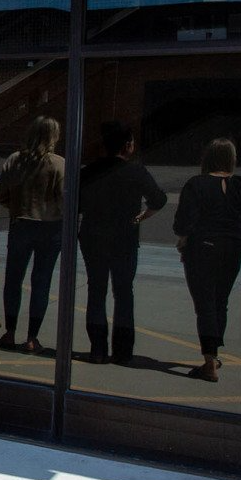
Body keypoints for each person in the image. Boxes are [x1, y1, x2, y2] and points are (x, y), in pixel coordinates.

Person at [77, 121, 166, 365]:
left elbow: (78, 204)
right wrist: (140, 217)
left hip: (94, 235)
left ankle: (97, 348)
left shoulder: (90, 171)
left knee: (96, 290)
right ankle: (123, 351)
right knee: (124, 292)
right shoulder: (136, 171)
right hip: (124, 237)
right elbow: (158, 199)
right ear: (127, 145)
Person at [173, 138, 241, 383]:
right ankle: (214, 354)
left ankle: (210, 362)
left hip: (203, 248)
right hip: (232, 248)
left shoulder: (196, 184)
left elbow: (182, 223)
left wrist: (185, 237)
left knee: (205, 305)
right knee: (221, 302)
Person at [0, 117, 65, 353]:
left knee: (13, 279)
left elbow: (2, 194)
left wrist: (17, 205)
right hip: (50, 226)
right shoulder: (58, 164)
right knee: (41, 281)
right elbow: (64, 199)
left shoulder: (15, 160)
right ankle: (32, 336)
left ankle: (10, 331)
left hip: (21, 223)